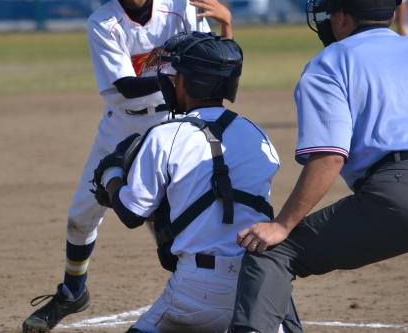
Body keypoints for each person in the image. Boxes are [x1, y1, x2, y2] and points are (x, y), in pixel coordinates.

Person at [228, 0, 408, 333]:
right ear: (393, 14)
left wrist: (281, 225)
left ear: (341, 17)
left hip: (401, 195)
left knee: (274, 253)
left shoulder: (329, 64)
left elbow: (329, 156)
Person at [22, 0, 233, 333]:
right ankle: (72, 291)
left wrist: (224, 24)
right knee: (81, 216)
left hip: (173, 125)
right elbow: (125, 87)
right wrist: (178, 74)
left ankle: (204, 293)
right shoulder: (103, 22)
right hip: (121, 127)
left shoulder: (181, 7)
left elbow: (218, 64)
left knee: (167, 226)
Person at [91, 31, 302, 333]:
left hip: (193, 291)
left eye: (175, 74)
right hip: (256, 285)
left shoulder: (164, 135)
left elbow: (132, 214)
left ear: (184, 82)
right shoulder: (256, 133)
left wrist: (110, 176)